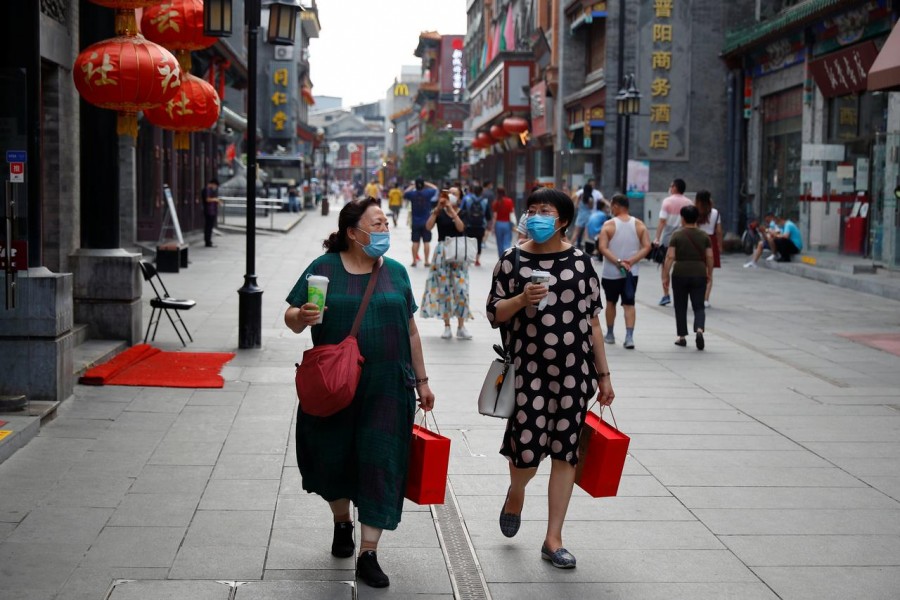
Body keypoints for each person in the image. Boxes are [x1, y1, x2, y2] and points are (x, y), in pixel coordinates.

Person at [283, 198, 435, 589]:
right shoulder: (323, 269)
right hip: (335, 385)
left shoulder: (397, 273)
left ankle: (369, 552)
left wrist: (422, 381)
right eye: (377, 224)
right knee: (332, 456)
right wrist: (301, 316)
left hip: (387, 387)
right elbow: (292, 318)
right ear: (353, 232)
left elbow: (412, 330)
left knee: (380, 462)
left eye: (386, 224)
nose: (384, 230)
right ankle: (341, 521)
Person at [486, 187, 615, 570]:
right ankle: (516, 492)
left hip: (574, 374)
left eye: (546, 211)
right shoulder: (512, 261)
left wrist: (604, 376)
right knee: (526, 452)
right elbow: (495, 314)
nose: (536, 216)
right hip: (527, 373)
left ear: (561, 220)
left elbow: (592, 323)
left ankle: (553, 538)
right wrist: (523, 299)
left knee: (565, 453)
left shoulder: (580, 263)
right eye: (533, 210)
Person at [598, 194, 651, 349]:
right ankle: (629, 337)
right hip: (631, 272)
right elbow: (647, 246)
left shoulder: (608, 225)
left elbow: (603, 248)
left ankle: (610, 334)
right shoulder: (639, 225)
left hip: (611, 272)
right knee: (629, 303)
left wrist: (618, 262)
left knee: (610, 302)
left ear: (615, 206)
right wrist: (631, 261)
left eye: (611, 206)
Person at [421, 187, 473, 340]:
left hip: (459, 252)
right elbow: (428, 227)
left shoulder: (462, 212)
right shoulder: (439, 212)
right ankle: (447, 326)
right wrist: (438, 208)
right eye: (448, 193)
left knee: (461, 289)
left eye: (454, 194)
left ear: (460, 197)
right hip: (442, 252)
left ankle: (461, 326)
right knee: (444, 289)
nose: (451, 196)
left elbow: (461, 228)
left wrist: (451, 210)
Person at [662, 205, 713, 350]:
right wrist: (709, 272)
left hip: (680, 272)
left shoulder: (677, 235)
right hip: (699, 272)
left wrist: (665, 275)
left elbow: (670, 256)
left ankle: (682, 337)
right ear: (696, 218)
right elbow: (709, 256)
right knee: (699, 305)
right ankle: (699, 329)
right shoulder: (704, 236)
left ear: (683, 218)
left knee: (680, 305)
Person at [652, 178, 693, 306]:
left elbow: (662, 221)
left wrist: (657, 238)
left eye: (671, 185)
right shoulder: (689, 202)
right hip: (685, 237)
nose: (669, 187)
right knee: (682, 266)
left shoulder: (667, 202)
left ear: (675, 187)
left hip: (669, 237)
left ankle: (666, 294)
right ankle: (682, 294)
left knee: (665, 266)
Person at [694, 190, 722, 308]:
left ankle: (697, 296)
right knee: (709, 273)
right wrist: (720, 245)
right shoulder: (715, 213)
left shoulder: (694, 211)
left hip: (697, 240)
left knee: (696, 271)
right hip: (711, 241)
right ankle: (705, 299)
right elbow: (719, 231)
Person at [404, 178, 438, 267]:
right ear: (423, 185)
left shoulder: (412, 194)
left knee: (415, 242)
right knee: (426, 242)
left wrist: (412, 186)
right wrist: (427, 183)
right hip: (426, 222)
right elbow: (435, 189)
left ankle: (414, 261)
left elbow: (405, 192)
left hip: (415, 222)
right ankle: (426, 261)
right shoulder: (427, 193)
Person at [461, 184, 492, 266]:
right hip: (481, 226)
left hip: (469, 225)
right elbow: (488, 215)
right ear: (481, 192)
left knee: (469, 242)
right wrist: (489, 224)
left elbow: (461, 211)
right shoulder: (485, 201)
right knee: (479, 242)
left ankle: (468, 259)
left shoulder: (467, 199)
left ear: (473, 191)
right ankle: (477, 260)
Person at [570, 180, 603, 248]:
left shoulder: (580, 196)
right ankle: (586, 250)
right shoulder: (590, 198)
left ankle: (569, 247)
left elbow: (576, 205)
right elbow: (591, 208)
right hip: (588, 216)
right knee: (586, 235)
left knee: (575, 233)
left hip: (580, 216)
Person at [492, 186, 515, 256]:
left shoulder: (495, 202)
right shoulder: (509, 201)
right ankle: (506, 256)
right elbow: (512, 212)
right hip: (507, 224)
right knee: (507, 242)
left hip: (498, 224)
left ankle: (501, 257)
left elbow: (495, 216)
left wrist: (493, 227)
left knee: (499, 243)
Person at [201, 178, 220, 247]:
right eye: (215, 186)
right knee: (208, 226)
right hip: (209, 211)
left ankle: (208, 241)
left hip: (211, 211)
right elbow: (207, 199)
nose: (215, 187)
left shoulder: (209, 190)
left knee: (209, 226)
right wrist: (215, 199)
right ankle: (207, 241)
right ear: (213, 184)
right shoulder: (207, 190)